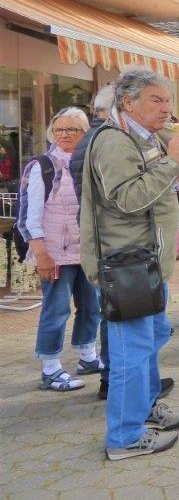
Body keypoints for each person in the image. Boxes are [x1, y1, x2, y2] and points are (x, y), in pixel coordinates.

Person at [80, 67, 179, 460]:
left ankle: (144, 409)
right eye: (156, 100)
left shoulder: (140, 136)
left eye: (168, 100)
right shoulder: (114, 141)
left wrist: (176, 181)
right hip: (126, 265)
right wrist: (172, 163)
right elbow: (127, 199)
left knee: (150, 341)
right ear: (128, 103)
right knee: (131, 353)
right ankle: (124, 438)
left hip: (146, 264)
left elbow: (145, 185)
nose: (166, 108)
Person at [19, 107, 101, 391]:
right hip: (54, 253)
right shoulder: (42, 166)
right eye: (59, 129)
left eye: (72, 129)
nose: (64, 134)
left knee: (92, 306)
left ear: (85, 133)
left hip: (87, 251)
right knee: (56, 311)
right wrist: (41, 253)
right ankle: (51, 369)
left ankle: (88, 356)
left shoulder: (90, 163)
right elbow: (27, 216)